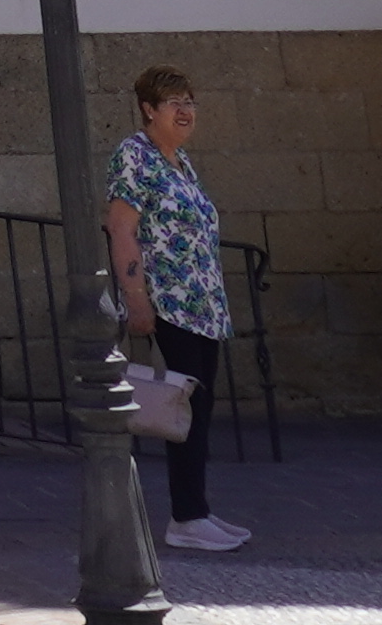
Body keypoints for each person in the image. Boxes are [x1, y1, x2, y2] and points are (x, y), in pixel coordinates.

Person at [106, 61, 246, 557]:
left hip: (203, 306)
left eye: (190, 102)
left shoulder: (179, 162)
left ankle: (198, 510)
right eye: (174, 104)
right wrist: (136, 298)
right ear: (149, 109)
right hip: (171, 303)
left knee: (199, 408)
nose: (186, 112)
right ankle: (185, 518)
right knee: (182, 409)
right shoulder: (136, 156)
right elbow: (122, 228)